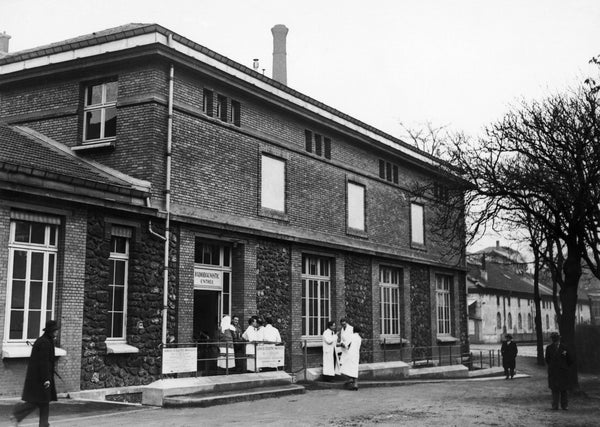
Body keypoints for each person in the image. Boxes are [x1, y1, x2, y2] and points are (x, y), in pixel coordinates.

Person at [11, 320, 59, 427]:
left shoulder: (46, 341)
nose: (57, 332)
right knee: (37, 401)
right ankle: (17, 413)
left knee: (43, 402)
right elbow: (43, 362)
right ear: (51, 331)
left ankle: (43, 424)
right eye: (55, 330)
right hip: (39, 378)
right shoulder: (44, 343)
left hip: (39, 377)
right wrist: (46, 379)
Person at [545, 332, 572, 410]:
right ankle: (555, 405)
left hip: (563, 371)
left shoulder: (565, 348)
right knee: (554, 389)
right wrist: (552, 366)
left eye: (556, 339)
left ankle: (564, 405)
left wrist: (565, 367)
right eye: (554, 339)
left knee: (564, 389)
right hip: (553, 371)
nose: (555, 340)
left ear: (559, 339)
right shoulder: (549, 348)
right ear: (552, 339)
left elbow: (569, 359)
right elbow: (547, 359)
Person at [340, 326, 362, 390]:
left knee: (344, 367)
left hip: (350, 354)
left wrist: (342, 344)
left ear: (353, 331)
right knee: (354, 368)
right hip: (356, 355)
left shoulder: (351, 336)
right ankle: (354, 383)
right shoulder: (359, 338)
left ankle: (351, 380)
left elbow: (345, 344)